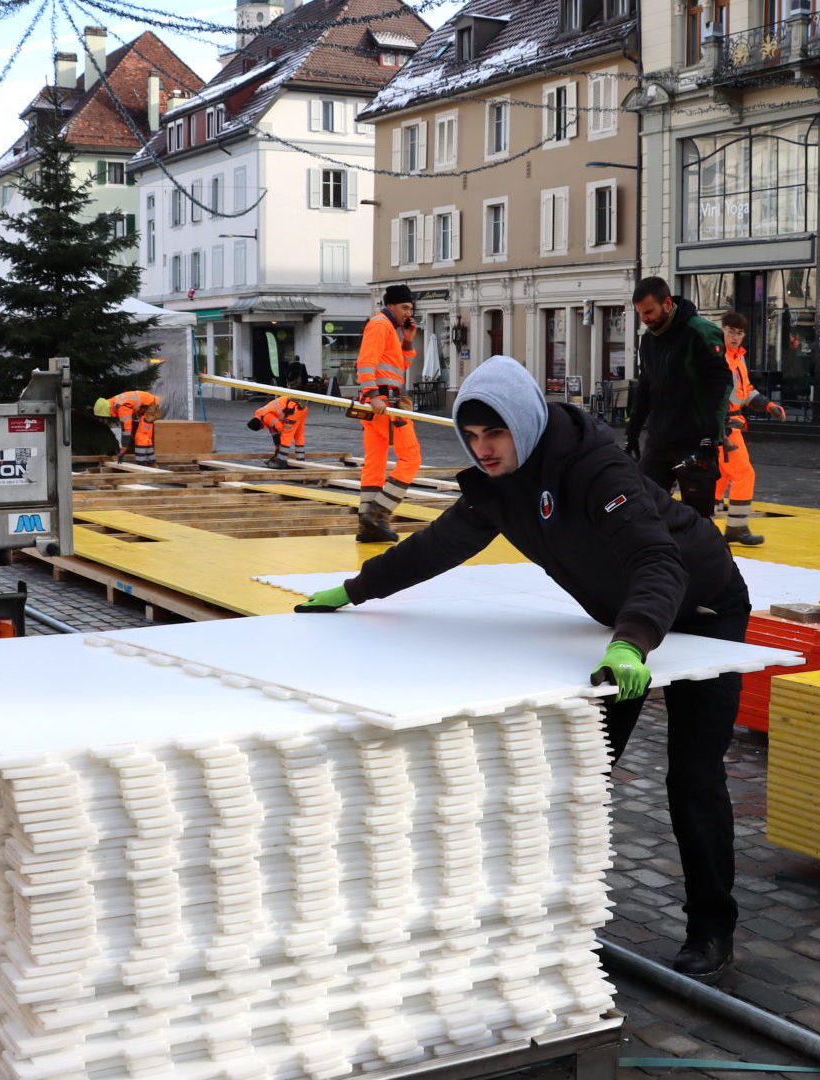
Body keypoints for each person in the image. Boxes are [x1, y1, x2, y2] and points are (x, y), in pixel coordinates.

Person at [296, 355, 751, 979]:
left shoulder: (595, 469)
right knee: (584, 768)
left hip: (701, 610)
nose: (484, 449)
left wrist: (632, 642)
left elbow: (659, 561)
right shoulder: (497, 487)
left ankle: (711, 930)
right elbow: (439, 545)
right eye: (473, 437)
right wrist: (356, 589)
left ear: (525, 423)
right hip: (626, 622)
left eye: (496, 434)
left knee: (692, 777)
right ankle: (559, 919)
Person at [624, 277, 732, 521]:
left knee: (698, 523)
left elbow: (721, 383)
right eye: (640, 313)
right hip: (659, 440)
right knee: (644, 512)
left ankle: (710, 559)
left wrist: (710, 436)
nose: (645, 319)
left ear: (668, 303)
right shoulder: (649, 340)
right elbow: (646, 387)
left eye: (649, 312)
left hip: (694, 440)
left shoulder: (699, 332)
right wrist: (632, 431)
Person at [353, 284, 423, 543]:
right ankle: (377, 516)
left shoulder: (388, 329)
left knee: (375, 461)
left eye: (411, 309)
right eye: (404, 307)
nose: (408, 313)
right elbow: (365, 362)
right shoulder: (381, 325)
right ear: (391, 304)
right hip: (384, 402)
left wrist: (407, 340)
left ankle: (367, 526)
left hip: (379, 402)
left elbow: (398, 366)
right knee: (411, 457)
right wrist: (372, 396)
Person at [716, 311, 787, 546]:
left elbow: (745, 391)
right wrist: (723, 421)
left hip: (727, 424)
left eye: (739, 333)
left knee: (720, 476)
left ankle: (701, 522)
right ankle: (736, 527)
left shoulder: (737, 358)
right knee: (744, 474)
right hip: (723, 425)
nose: (735, 337)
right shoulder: (720, 357)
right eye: (731, 331)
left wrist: (768, 405)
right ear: (722, 329)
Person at [93, 389, 163, 466]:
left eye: (105, 415)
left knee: (141, 437)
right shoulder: (115, 402)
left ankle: (142, 466)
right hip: (150, 406)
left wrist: (123, 448)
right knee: (146, 438)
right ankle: (152, 463)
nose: (107, 417)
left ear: (106, 410)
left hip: (150, 408)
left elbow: (126, 429)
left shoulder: (122, 407)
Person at [248, 394, 308, 468]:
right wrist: (276, 454)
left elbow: (280, 428)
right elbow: (275, 436)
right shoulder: (262, 414)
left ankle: (281, 461)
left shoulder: (266, 417)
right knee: (299, 434)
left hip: (293, 409)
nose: (263, 428)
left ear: (260, 425)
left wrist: (285, 444)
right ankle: (300, 460)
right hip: (301, 407)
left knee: (286, 434)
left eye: (261, 428)